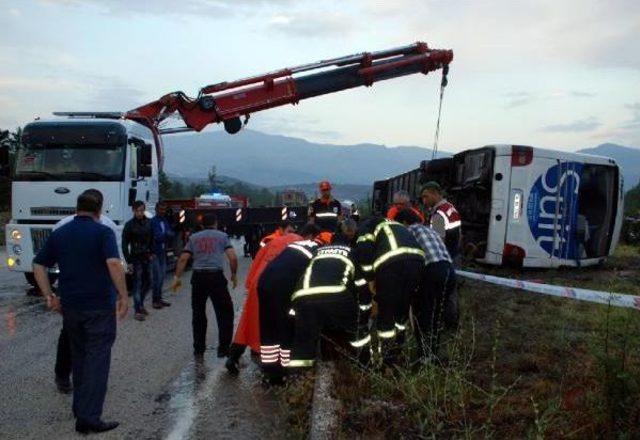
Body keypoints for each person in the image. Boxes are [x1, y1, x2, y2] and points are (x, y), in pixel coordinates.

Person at [32, 190, 128, 434]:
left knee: (80, 357)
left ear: (77, 208)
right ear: (99, 210)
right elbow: (113, 263)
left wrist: (48, 295)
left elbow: (38, 264)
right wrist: (124, 296)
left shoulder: (60, 233)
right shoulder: (103, 232)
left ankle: (80, 408)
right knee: (97, 359)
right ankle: (89, 418)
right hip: (98, 306)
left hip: (71, 307)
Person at [51, 189, 119, 395]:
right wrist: (121, 292)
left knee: (71, 335)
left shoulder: (62, 226)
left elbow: (47, 262)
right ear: (100, 206)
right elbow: (116, 262)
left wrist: (50, 293)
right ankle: (83, 381)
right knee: (95, 340)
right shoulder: (107, 226)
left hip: (71, 291)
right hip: (98, 293)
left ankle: (65, 376)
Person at [226, 224, 306, 374]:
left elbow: (256, 261)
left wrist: (250, 284)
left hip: (259, 283)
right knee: (273, 327)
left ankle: (233, 357)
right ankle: (273, 367)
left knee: (246, 325)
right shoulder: (299, 244)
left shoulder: (272, 241)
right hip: (276, 287)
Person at [287, 240, 372, 370]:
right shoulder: (351, 253)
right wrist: (363, 316)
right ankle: (365, 368)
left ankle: (299, 379)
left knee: (303, 343)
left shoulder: (317, 253)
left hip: (303, 295)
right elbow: (361, 285)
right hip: (337, 294)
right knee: (357, 334)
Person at [253, 224, 322, 383]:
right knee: (287, 325)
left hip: (264, 282)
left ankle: (270, 371)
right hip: (283, 287)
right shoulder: (318, 250)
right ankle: (286, 371)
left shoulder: (296, 246)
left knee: (269, 326)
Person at [355, 216, 424, 365]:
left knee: (386, 312)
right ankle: (398, 349)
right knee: (402, 308)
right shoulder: (395, 224)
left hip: (391, 263)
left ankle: (387, 362)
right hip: (417, 261)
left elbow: (364, 251)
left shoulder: (365, 226)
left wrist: (370, 279)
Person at [172, 213, 238, 358]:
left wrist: (177, 277)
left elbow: (183, 258)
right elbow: (232, 257)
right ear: (215, 223)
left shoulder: (194, 238)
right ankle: (223, 348)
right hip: (216, 277)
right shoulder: (222, 236)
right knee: (225, 312)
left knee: (198, 314)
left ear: (202, 225)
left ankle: (199, 348)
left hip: (198, 278)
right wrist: (233, 275)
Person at [396, 209, 456, 361]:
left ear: (403, 222)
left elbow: (408, 258)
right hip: (449, 271)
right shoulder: (429, 230)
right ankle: (433, 353)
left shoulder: (408, 231)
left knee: (422, 315)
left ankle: (424, 357)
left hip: (431, 271)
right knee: (435, 315)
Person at [420, 182, 462, 327]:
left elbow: (437, 241)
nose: (424, 201)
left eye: (425, 197)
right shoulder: (450, 208)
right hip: (455, 253)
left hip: (445, 257)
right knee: (452, 291)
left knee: (445, 292)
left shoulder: (438, 214)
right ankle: (453, 320)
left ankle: (448, 322)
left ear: (434, 193)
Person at [122, 201, 154, 321]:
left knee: (149, 281)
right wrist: (128, 261)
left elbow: (152, 238)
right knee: (137, 283)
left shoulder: (148, 223)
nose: (140, 213)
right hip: (135, 257)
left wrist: (152, 252)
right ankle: (137, 309)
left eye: (141, 210)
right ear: (133, 211)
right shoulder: (129, 225)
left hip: (147, 256)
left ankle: (140, 304)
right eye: (137, 211)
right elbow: (125, 245)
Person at [150, 202, 174, 308]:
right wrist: (166, 235)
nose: (162, 211)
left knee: (163, 276)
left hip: (162, 252)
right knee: (157, 277)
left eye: (164, 209)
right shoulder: (153, 222)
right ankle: (155, 300)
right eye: (161, 209)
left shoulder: (164, 220)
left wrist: (166, 235)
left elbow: (171, 233)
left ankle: (159, 298)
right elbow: (157, 237)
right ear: (156, 209)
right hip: (155, 252)